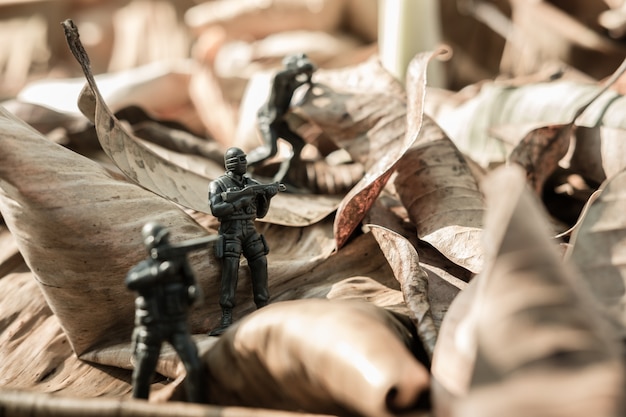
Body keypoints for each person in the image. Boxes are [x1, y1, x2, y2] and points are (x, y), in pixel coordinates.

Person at [125, 222, 206, 403]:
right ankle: (138, 410)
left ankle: (198, 408)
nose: (163, 245)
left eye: (165, 240)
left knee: (194, 366)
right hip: (151, 328)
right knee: (143, 374)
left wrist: (193, 293)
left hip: (177, 324)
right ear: (149, 245)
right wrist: (159, 272)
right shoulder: (142, 268)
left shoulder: (179, 263)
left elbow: (191, 283)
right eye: (158, 242)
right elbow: (130, 281)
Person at [208, 147, 281, 335]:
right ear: (231, 162)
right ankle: (226, 318)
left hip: (250, 229)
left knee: (260, 263)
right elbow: (216, 209)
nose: (244, 162)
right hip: (230, 231)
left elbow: (261, 213)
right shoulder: (218, 184)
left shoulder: (253, 183)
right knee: (230, 270)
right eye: (240, 159)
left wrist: (268, 196)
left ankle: (263, 310)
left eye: (244, 159)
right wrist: (240, 201)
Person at [247, 53, 317, 181]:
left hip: (279, 121)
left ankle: (283, 179)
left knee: (298, 144)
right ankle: (240, 169)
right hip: (268, 119)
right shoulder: (279, 78)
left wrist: (309, 73)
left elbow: (306, 81)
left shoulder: (293, 82)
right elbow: (288, 75)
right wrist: (301, 68)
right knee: (270, 151)